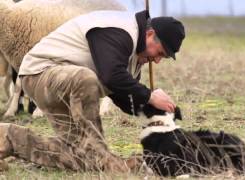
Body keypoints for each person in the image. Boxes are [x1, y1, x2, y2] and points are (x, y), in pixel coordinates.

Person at [0, 10, 185, 172]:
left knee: (82, 158)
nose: (158, 60)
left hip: (67, 90)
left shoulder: (136, 56)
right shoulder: (119, 31)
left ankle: (8, 138)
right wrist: (150, 95)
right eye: (160, 53)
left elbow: (125, 98)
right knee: (85, 79)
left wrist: (158, 113)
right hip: (40, 75)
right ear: (150, 34)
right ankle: (105, 159)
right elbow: (111, 76)